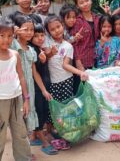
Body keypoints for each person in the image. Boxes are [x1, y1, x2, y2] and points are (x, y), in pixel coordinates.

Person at [0, 18, 32, 161]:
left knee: (21, 134)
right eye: (2, 36)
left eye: (10, 35)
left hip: (17, 99)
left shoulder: (15, 54)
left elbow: (22, 77)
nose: (6, 39)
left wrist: (26, 100)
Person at [44, 15, 89, 150]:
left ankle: (65, 136)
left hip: (65, 82)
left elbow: (65, 65)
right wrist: (50, 53)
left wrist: (80, 72)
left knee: (64, 110)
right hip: (52, 83)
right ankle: (52, 133)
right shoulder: (46, 43)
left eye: (58, 27)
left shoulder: (68, 46)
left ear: (63, 26)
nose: (57, 31)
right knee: (53, 109)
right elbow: (43, 60)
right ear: (48, 32)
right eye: (52, 29)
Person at [10, 14, 52, 134]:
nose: (29, 32)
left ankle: (29, 143)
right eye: (25, 29)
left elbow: (35, 73)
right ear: (17, 29)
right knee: (18, 116)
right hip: (16, 88)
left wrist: (43, 90)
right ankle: (26, 147)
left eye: (31, 29)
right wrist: (13, 34)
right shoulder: (12, 45)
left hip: (30, 89)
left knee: (28, 114)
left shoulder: (31, 50)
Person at [29, 23, 58, 155]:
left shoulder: (39, 49)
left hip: (43, 86)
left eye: (42, 35)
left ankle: (34, 137)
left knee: (42, 111)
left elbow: (42, 63)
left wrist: (50, 54)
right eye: (36, 36)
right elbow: (35, 73)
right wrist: (44, 90)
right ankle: (44, 143)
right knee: (40, 113)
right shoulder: (32, 51)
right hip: (38, 88)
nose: (40, 38)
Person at [71, 0, 100, 72]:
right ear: (77, 6)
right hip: (83, 60)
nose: (85, 4)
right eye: (81, 3)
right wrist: (78, 62)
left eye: (87, 0)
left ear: (91, 0)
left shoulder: (97, 18)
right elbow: (74, 43)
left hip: (97, 59)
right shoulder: (77, 21)